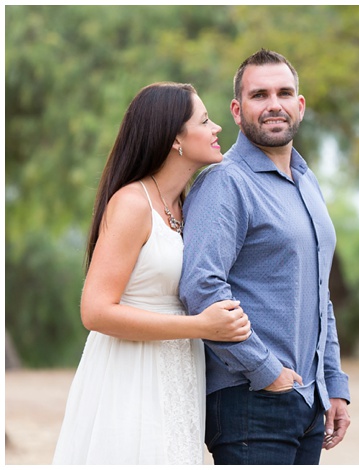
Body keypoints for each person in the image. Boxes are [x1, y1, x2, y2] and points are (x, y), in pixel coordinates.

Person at [52, 82, 251, 465]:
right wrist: (200, 326)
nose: (217, 130)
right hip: (131, 374)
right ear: (176, 137)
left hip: (179, 371)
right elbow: (94, 311)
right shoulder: (131, 204)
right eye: (205, 121)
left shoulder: (185, 205)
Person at [179, 49, 351, 465]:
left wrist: (334, 384)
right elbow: (202, 287)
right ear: (237, 111)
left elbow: (318, 294)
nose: (274, 104)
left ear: (300, 105)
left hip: (308, 401)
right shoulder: (225, 183)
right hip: (250, 400)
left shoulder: (307, 183)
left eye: (284, 92)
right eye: (260, 95)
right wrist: (265, 370)